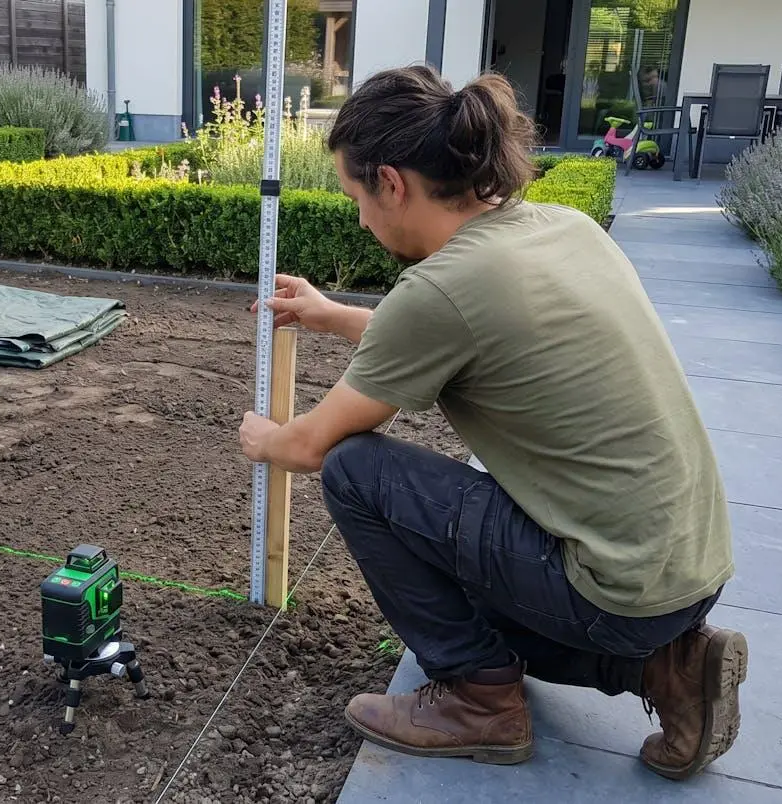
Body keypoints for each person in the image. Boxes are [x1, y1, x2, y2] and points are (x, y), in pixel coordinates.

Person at [236, 64, 745, 781]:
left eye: (356, 196)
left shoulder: (439, 290)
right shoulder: (559, 229)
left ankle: (480, 701)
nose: (358, 217)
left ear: (392, 182)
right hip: (688, 566)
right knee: (467, 573)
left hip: (616, 589)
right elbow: (453, 327)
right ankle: (668, 667)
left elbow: (313, 444)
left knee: (358, 473)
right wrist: (330, 314)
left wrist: (263, 440)